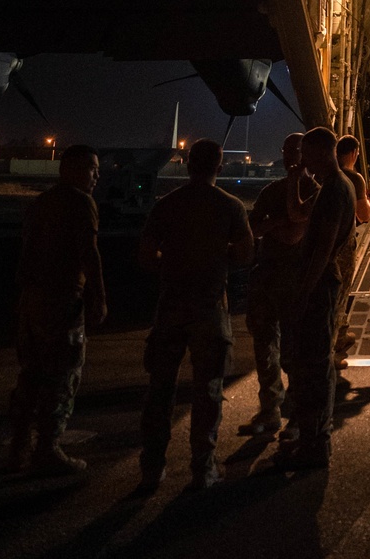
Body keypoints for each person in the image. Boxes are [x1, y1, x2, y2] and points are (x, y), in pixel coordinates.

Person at [137, 137, 254, 492]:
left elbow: (145, 256)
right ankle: (203, 468)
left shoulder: (166, 206)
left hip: (171, 307)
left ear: (188, 164)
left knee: (160, 391)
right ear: (220, 167)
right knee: (208, 391)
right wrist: (216, 262)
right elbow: (246, 255)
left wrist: (172, 265)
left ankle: (152, 468)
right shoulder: (230, 207)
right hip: (209, 308)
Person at [7, 144, 106, 475]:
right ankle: (47, 449)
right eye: (91, 167)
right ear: (72, 170)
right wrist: (98, 297)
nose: (97, 174)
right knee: (62, 375)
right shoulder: (81, 203)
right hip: (61, 300)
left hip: (32, 299)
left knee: (30, 374)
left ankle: (18, 447)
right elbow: (88, 253)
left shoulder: (43, 201)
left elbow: (26, 249)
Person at [279, 127, 357, 471]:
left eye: (306, 154)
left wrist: (303, 293)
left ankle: (316, 443)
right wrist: (296, 179)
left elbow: (322, 250)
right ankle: (312, 438)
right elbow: (298, 214)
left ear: (323, 152)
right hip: (320, 284)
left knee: (315, 366)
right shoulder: (333, 186)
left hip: (320, 286)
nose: (302, 161)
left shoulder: (334, 191)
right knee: (312, 364)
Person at [243, 131, 309, 437]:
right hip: (268, 278)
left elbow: (293, 234)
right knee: (264, 345)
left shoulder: (312, 190)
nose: (288, 156)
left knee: (294, 351)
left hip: (296, 280)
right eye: (285, 150)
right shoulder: (271, 191)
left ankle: (296, 413)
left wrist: (275, 225)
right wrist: (278, 223)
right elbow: (254, 230)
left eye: (294, 150)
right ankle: (270, 409)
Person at [332, 135, 370, 369]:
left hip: (321, 243)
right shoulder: (354, 178)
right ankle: (334, 351)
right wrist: (367, 202)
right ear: (354, 154)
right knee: (340, 293)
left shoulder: (322, 174)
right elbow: (364, 215)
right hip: (343, 245)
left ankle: (341, 334)